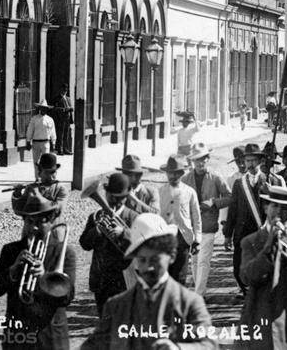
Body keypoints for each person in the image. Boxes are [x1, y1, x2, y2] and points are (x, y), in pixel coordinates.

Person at [81, 213, 215, 350]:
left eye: (155, 259)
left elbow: (208, 345)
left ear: (171, 257)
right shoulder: (116, 305)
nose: (148, 267)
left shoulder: (190, 303)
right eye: (142, 260)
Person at [0, 189, 75, 349]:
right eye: (29, 221)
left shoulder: (64, 253)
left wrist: (44, 277)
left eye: (40, 222)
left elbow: (67, 298)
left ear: (50, 222)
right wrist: (12, 272)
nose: (34, 228)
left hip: (50, 339)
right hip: (17, 339)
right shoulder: (10, 250)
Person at [238, 185, 287, 350]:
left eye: (286, 208)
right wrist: (268, 247)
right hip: (261, 317)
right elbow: (247, 278)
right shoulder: (250, 241)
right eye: (275, 206)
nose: (279, 212)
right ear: (266, 207)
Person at [78, 173, 137, 316]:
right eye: (111, 196)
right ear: (106, 192)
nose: (115, 200)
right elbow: (84, 244)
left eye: (120, 197)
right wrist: (97, 231)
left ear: (126, 197)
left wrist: (123, 232)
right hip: (101, 278)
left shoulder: (133, 216)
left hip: (123, 278)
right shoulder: (96, 217)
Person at [181, 144, 231, 296]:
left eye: (202, 159)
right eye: (196, 160)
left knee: (203, 261)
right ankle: (199, 292)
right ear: (192, 162)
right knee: (195, 261)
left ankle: (198, 295)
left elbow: (230, 197)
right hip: (191, 227)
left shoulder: (216, 177)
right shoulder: (185, 178)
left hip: (208, 225)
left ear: (208, 159)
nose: (200, 163)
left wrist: (214, 202)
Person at [224, 144, 273, 296]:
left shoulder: (269, 181)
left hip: (262, 231)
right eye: (247, 160)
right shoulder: (239, 184)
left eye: (253, 160)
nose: (250, 164)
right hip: (242, 232)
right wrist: (227, 234)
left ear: (260, 161)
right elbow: (232, 210)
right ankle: (245, 289)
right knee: (239, 265)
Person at [158, 155, 200, 286]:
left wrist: (197, 239)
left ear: (181, 173)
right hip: (164, 239)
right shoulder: (160, 192)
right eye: (170, 173)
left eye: (176, 173)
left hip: (183, 238)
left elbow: (196, 216)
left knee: (180, 276)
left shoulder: (189, 192)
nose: (172, 176)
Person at [11, 154, 70, 223]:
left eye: (52, 172)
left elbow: (57, 209)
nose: (51, 177)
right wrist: (17, 194)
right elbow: (19, 210)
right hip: (31, 227)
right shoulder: (31, 188)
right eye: (46, 173)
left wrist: (37, 196)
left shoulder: (61, 189)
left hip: (53, 226)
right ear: (39, 173)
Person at [25, 99, 57, 180]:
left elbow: (53, 132)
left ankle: (45, 178)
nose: (43, 110)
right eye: (42, 108)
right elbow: (30, 130)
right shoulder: (34, 119)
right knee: (36, 162)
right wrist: (28, 141)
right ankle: (37, 178)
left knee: (46, 162)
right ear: (39, 108)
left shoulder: (50, 119)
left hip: (46, 143)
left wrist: (53, 143)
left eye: (45, 108)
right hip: (36, 143)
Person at [51, 83, 73, 156]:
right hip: (60, 119)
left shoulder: (68, 98)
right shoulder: (57, 98)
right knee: (60, 134)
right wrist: (64, 110)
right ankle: (59, 149)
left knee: (66, 134)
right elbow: (54, 108)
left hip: (67, 119)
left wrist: (70, 110)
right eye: (63, 90)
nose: (65, 91)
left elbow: (70, 107)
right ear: (61, 90)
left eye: (66, 90)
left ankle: (65, 149)